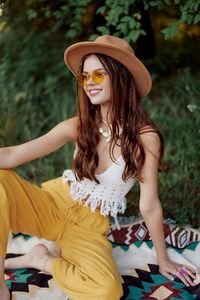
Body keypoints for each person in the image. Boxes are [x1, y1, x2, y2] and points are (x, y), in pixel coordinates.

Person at [0, 35, 197, 300]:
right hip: (52, 202)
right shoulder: (79, 125)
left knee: (107, 291)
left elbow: (149, 204)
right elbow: (12, 155)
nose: (89, 82)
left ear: (120, 77)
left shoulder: (145, 138)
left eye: (99, 74)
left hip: (88, 226)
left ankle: (40, 260)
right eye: (84, 76)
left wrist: (163, 260)